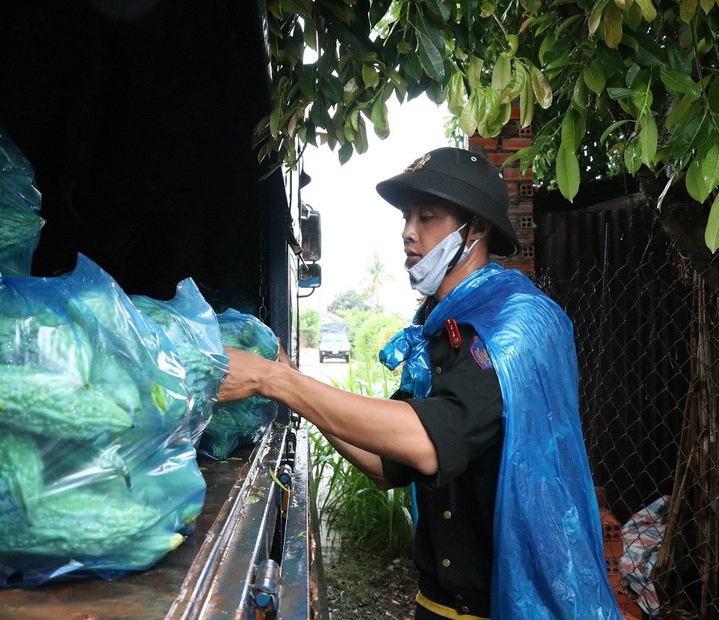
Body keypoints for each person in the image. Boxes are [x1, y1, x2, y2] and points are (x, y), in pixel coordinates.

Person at [217, 147, 622, 619]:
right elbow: (388, 464)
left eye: (426, 217)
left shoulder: (518, 325)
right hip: (435, 604)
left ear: (477, 228)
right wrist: (290, 378)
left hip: (510, 606)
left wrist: (276, 382)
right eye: (407, 217)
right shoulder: (436, 331)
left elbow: (431, 440)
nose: (408, 232)